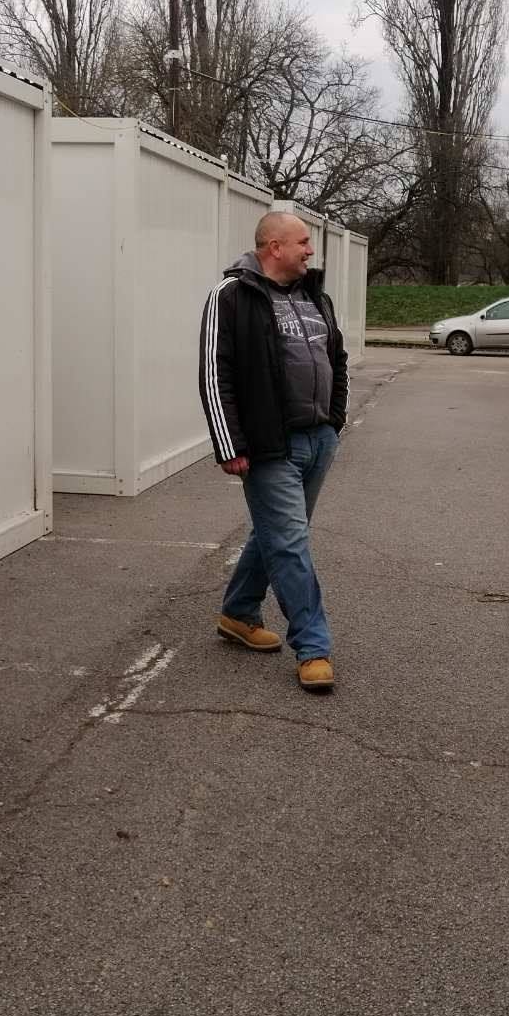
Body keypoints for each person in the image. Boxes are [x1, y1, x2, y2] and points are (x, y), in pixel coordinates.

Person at [198, 212, 349, 692]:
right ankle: (313, 646)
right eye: (303, 242)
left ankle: (239, 612)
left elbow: (336, 358)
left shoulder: (315, 297)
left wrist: (335, 420)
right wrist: (229, 444)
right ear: (274, 246)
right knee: (290, 543)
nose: (310, 251)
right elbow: (212, 373)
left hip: (317, 439)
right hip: (268, 448)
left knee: (278, 535)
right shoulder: (231, 296)